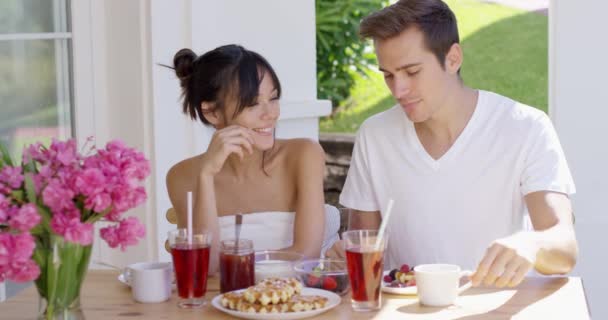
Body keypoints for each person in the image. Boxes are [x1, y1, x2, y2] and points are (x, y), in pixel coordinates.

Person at [326, 0, 578, 288]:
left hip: (493, 309)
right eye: (388, 75)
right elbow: (363, 247)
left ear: (453, 58)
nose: (398, 89)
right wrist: (342, 259)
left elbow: (565, 249)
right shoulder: (374, 135)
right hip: (406, 310)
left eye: (411, 72)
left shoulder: (526, 127)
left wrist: (533, 244)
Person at [165, 44, 332, 273]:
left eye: (273, 98)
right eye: (253, 103)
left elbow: (305, 254)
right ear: (212, 112)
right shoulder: (182, 176)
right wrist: (206, 175)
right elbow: (205, 268)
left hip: (299, 302)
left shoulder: (304, 155)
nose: (270, 114)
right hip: (223, 304)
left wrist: (237, 264)